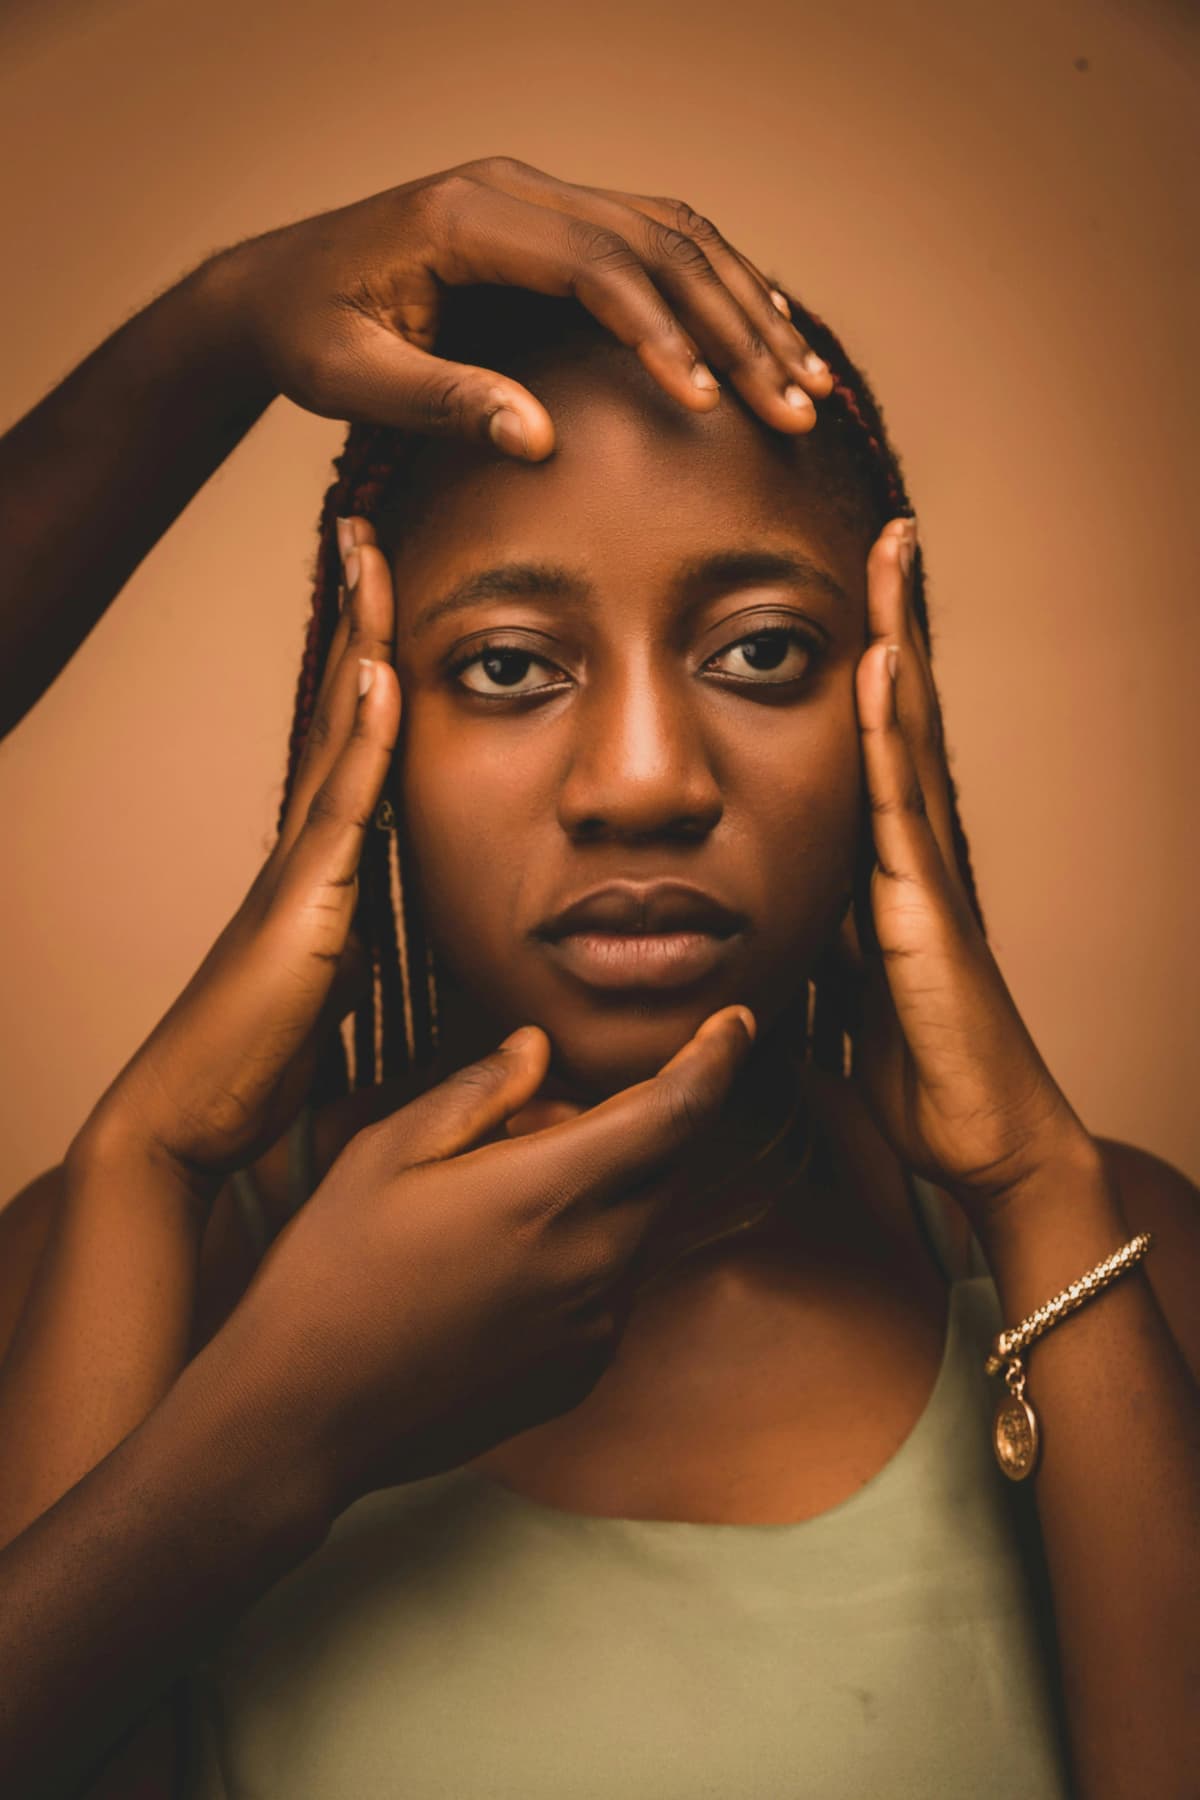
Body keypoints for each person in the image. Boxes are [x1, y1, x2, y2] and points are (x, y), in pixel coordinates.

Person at [0, 160, 1196, 1800]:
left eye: (760, 651)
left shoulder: (1115, 1263)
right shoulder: (126, 1269)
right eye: (508, 667)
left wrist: (1040, 1180)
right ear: (373, 710)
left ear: (887, 700)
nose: (642, 779)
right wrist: (146, 1172)